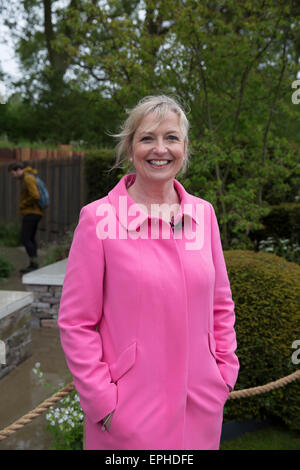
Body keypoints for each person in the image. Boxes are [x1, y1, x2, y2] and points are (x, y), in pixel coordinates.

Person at [58, 95, 239, 450]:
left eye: (171, 138)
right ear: (130, 149)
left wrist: (223, 375)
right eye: (147, 138)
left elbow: (221, 304)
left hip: (199, 409)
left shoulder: (204, 215)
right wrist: (103, 404)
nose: (161, 149)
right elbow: (76, 322)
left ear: (185, 148)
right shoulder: (98, 220)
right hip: (127, 416)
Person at [8, 161, 43, 274]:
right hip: (34, 212)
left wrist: (23, 204)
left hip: (31, 213)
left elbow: (35, 195)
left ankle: (34, 264)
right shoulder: (27, 178)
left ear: (18, 170)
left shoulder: (28, 179)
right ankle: (33, 264)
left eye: (12, 173)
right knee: (31, 239)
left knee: (25, 238)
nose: (12, 176)